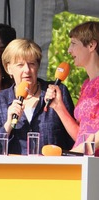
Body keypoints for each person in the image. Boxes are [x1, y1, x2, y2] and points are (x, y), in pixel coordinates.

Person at [0, 38, 75, 155]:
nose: (27, 70)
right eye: (20, 65)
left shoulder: (57, 91)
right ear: (8, 68)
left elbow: (75, 140)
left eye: (32, 64)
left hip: (52, 170)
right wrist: (8, 125)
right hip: (14, 171)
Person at [44, 21, 99, 155]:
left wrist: (74, 152)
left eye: (73, 44)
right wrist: (59, 107)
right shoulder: (87, 85)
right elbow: (80, 136)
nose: (69, 50)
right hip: (85, 161)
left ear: (91, 45)